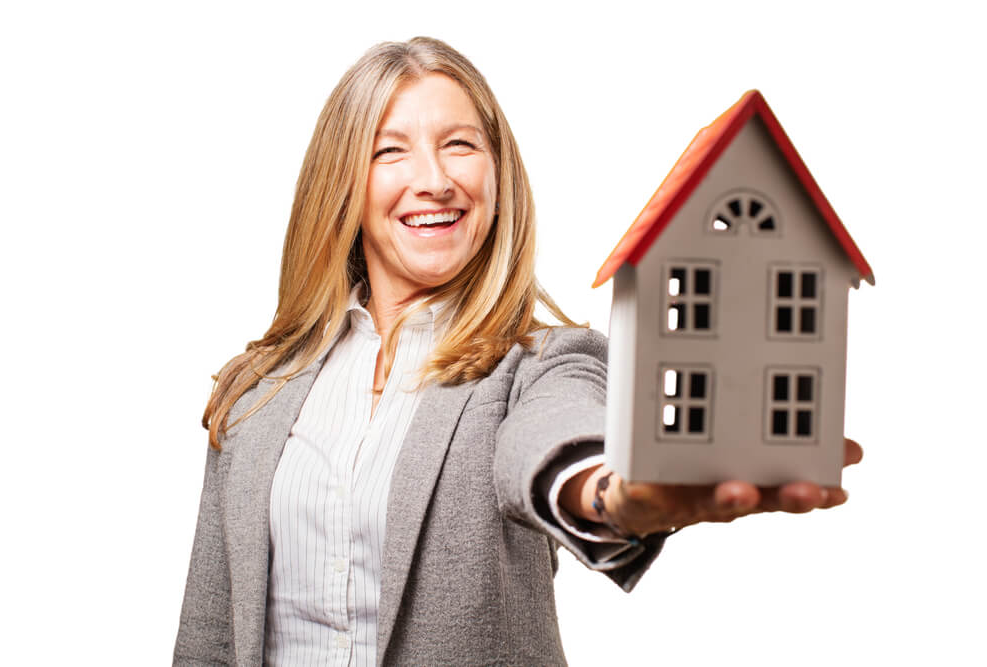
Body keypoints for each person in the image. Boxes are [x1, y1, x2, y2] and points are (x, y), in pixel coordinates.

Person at [174, 37, 862, 666]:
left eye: (461, 145)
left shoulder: (540, 365)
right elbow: (208, 635)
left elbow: (555, 437)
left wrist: (613, 492)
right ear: (343, 184)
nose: (435, 178)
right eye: (391, 150)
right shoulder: (257, 390)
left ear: (498, 179)